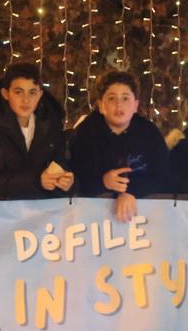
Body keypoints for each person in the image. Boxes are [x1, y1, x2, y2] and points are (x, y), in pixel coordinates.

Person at [0, 62, 74, 198]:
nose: (26, 100)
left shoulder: (50, 124)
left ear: (40, 94)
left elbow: (61, 161)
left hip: (35, 206)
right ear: (6, 93)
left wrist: (65, 182)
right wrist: (37, 181)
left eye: (32, 92)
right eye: (18, 92)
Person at [71, 70, 170, 222]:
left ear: (135, 105)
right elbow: (76, 174)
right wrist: (102, 182)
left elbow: (162, 175)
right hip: (93, 219)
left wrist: (131, 192)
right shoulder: (85, 133)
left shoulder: (149, 134)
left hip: (143, 219)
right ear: (101, 105)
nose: (119, 105)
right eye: (112, 98)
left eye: (125, 98)